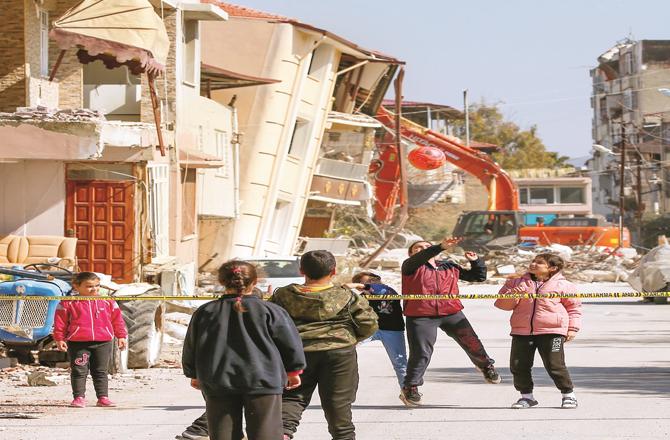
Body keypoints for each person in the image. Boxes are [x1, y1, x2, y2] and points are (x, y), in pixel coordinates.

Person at [182, 260, 306, 440]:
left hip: (218, 380)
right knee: (266, 433)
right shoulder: (271, 311)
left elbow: (192, 345)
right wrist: (294, 370)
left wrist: (193, 373)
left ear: (222, 282)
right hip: (264, 380)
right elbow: (289, 343)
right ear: (255, 282)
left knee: (223, 434)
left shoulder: (205, 312)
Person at [269, 250, 378, 440]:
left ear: (301, 270)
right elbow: (369, 324)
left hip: (296, 353)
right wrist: (351, 339)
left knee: (292, 399)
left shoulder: (284, 295)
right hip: (339, 353)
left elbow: (270, 323)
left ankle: (283, 434)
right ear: (333, 271)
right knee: (338, 404)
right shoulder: (346, 296)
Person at [399, 238, 501, 407]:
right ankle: (410, 388)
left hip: (451, 311)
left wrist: (476, 262)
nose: (423, 249)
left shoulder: (449, 266)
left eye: (426, 246)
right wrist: (438, 247)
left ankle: (486, 367)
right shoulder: (410, 266)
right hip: (421, 315)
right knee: (421, 353)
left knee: (471, 342)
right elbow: (421, 257)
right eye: (418, 248)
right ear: (411, 253)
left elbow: (478, 277)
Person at [494, 253, 582, 409]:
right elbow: (502, 305)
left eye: (539, 263)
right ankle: (526, 397)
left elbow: (574, 308)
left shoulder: (564, 286)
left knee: (555, 365)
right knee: (518, 365)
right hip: (522, 331)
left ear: (552, 268)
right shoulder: (516, 283)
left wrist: (572, 329)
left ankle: (568, 394)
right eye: (533, 261)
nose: (533, 264)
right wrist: (516, 292)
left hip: (552, 331)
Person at [53, 272, 128, 408]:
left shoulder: (107, 301)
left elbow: (117, 320)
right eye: (89, 286)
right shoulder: (68, 303)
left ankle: (103, 397)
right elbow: (60, 322)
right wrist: (59, 338)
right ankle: (79, 398)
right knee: (79, 371)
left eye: (97, 286)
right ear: (76, 286)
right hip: (78, 343)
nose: (94, 289)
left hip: (103, 341)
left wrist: (121, 336)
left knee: (100, 371)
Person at [345, 271, 407, 388]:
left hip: (392, 329)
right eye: (361, 283)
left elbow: (377, 288)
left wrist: (360, 286)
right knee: (345, 347)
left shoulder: (388, 291)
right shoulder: (362, 297)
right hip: (370, 329)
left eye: (368, 281)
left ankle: (408, 390)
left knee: (400, 362)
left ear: (376, 279)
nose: (366, 284)